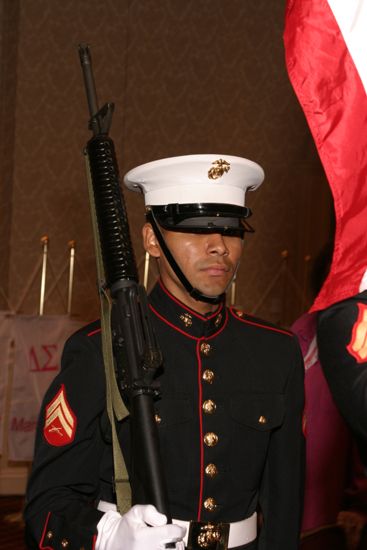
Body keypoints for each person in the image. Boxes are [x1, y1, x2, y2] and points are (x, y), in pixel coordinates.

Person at [24, 154, 305, 550]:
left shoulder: (275, 351)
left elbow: (284, 505)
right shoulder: (97, 351)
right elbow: (47, 507)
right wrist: (106, 537)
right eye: (194, 230)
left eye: (230, 230)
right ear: (152, 239)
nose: (218, 247)